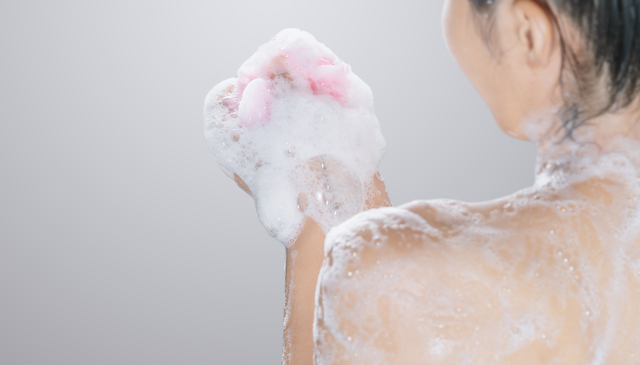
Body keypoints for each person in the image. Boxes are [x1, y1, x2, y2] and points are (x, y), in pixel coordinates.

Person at [218, 0, 640, 363]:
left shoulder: (396, 278)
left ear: (528, 34)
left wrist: (310, 214)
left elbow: (397, 297)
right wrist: (351, 189)